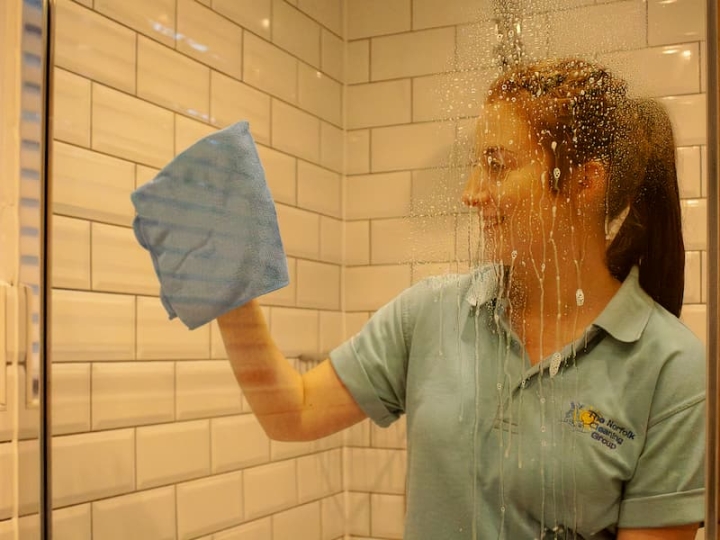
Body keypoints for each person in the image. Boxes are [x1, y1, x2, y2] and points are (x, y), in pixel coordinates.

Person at [217, 58, 705, 539]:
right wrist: (229, 282)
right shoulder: (430, 313)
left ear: (583, 181)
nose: (471, 193)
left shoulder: (670, 369)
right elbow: (294, 413)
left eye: (496, 165)